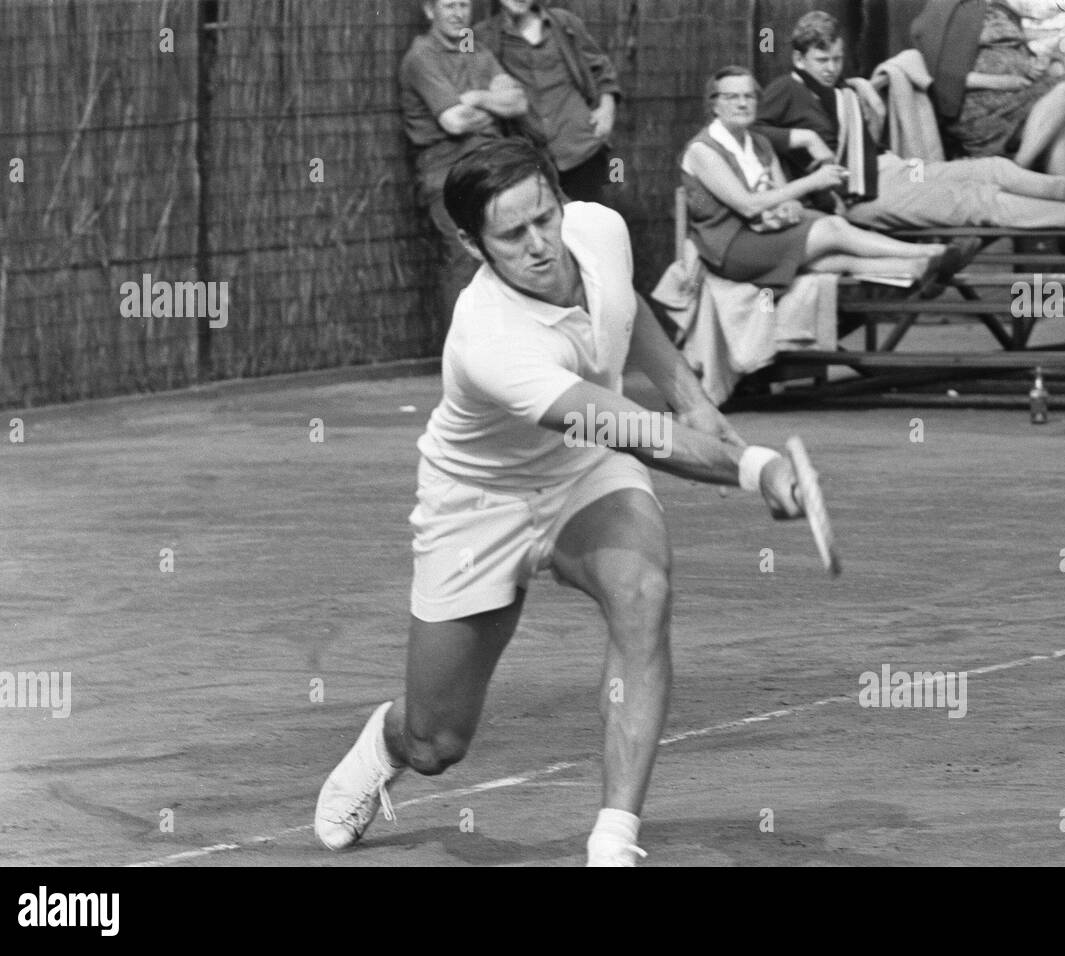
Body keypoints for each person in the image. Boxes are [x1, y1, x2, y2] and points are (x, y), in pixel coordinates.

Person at [314, 139, 813, 866]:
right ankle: (386, 742)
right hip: (479, 504)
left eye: (545, 218)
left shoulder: (599, 230)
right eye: (512, 236)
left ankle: (613, 842)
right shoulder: (489, 339)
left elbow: (626, 309)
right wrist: (755, 466)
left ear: (560, 199)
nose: (539, 245)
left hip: (586, 473)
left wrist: (694, 400)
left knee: (643, 590)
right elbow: (636, 432)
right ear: (470, 243)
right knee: (436, 743)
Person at [753, 11, 1065, 239]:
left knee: (992, 168)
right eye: (822, 60)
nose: (831, 68)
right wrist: (800, 136)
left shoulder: (837, 88)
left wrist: (855, 88)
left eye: (837, 59)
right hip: (861, 197)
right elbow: (753, 130)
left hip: (893, 169)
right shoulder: (786, 88)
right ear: (799, 59)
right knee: (971, 200)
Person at [682, 65, 975, 297]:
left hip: (765, 233)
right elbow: (746, 206)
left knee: (832, 256)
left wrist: (790, 209)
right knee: (832, 229)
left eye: (748, 96)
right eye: (732, 97)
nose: (742, 103)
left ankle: (918, 268)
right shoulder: (703, 150)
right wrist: (814, 181)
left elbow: (786, 196)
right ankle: (931, 251)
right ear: (714, 105)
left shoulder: (759, 143)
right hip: (732, 247)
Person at [401, 0, 530, 324]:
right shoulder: (422, 57)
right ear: (430, 11)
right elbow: (454, 122)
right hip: (447, 171)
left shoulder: (477, 51)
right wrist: (490, 107)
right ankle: (461, 360)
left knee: (519, 246)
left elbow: (518, 102)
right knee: (463, 256)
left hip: (492, 163)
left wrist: (476, 99)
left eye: (463, 4)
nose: (458, 13)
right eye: (449, 5)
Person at [474, 1, 621, 205]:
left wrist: (607, 108)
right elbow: (468, 67)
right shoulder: (483, 35)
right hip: (531, 158)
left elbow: (601, 68)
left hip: (582, 147)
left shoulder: (564, 23)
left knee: (590, 225)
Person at [913, 0, 1065, 176]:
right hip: (977, 104)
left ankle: (1059, 190)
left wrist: (1030, 64)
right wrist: (1002, 82)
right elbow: (943, 74)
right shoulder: (948, 8)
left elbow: (1014, 48)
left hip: (1015, 97)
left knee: (1060, 116)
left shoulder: (998, 7)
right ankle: (1018, 170)